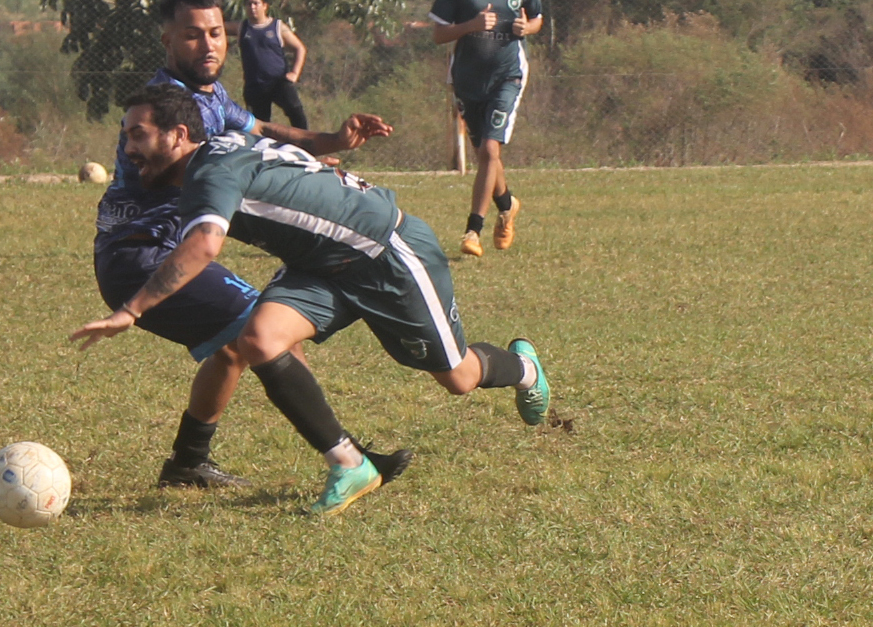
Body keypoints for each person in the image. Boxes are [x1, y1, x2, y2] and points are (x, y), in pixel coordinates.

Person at [73, 85, 552, 517]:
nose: (128, 149)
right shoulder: (221, 151)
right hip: (320, 264)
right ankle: (350, 464)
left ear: (179, 135)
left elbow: (204, 244)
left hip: (386, 253)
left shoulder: (208, 172)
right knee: (258, 339)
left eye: (138, 135)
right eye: (127, 136)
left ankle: (525, 369)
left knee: (459, 377)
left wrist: (131, 309)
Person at [92, 0, 395, 488]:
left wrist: (332, 141)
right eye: (192, 35)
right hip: (140, 254)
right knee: (266, 330)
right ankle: (348, 456)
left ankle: (187, 463)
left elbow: (264, 133)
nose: (208, 45)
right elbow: (238, 161)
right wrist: (301, 168)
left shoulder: (210, 96)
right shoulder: (167, 108)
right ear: (168, 41)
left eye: (216, 33)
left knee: (236, 346)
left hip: (157, 249)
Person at [430, 0, 545, 258]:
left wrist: (528, 28)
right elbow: (438, 34)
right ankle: (507, 206)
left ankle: (473, 231)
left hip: (507, 76)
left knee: (490, 150)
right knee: (485, 154)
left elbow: (537, 18)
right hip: (467, 80)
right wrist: (471, 25)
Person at [236, 0, 308, 128]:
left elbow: (300, 48)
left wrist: (295, 73)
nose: (252, 7)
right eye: (249, 4)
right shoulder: (242, 28)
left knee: (295, 111)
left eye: (256, 3)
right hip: (255, 85)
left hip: (279, 82)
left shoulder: (278, 27)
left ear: (265, 6)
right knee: (258, 125)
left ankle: (305, 139)